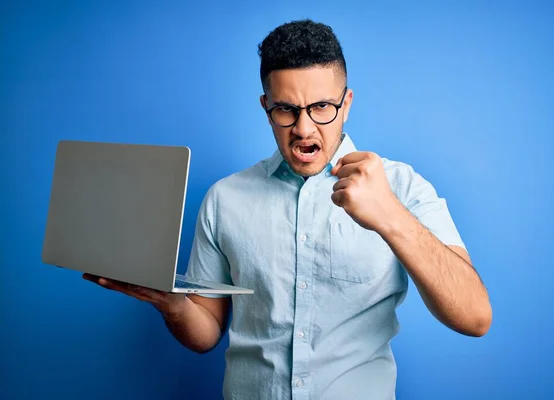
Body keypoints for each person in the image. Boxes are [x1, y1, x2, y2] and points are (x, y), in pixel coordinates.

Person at [84, 19, 492, 400]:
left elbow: (474, 318)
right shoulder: (225, 198)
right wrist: (170, 304)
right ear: (266, 107)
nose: (304, 127)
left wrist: (389, 216)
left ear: (346, 104)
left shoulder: (402, 188)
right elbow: (206, 332)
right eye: (286, 109)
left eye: (321, 107)